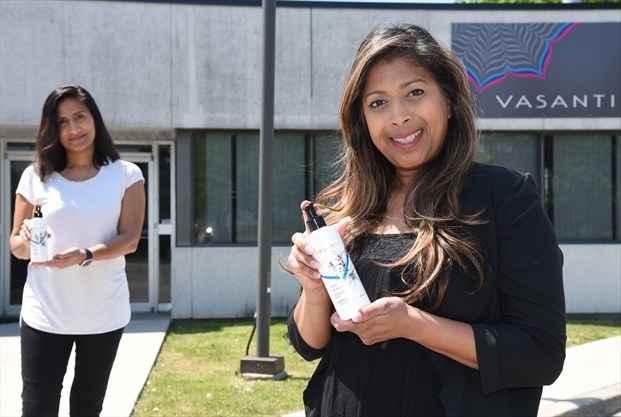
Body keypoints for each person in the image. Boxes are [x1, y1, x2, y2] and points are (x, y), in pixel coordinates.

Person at [286, 23, 565, 417]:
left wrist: (413, 325)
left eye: (415, 93)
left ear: (448, 102)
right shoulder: (344, 209)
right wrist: (314, 287)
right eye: (377, 102)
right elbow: (309, 345)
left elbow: (540, 354)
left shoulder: (504, 198)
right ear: (362, 120)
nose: (398, 117)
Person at [9, 85, 145, 417]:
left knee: (86, 408)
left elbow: (130, 239)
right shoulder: (36, 177)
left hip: (103, 315)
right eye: (62, 121)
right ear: (52, 128)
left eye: (80, 117)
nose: (73, 129)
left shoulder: (125, 175)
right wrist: (26, 240)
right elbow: (16, 245)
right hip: (45, 313)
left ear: (94, 119)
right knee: (37, 408)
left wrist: (85, 254)